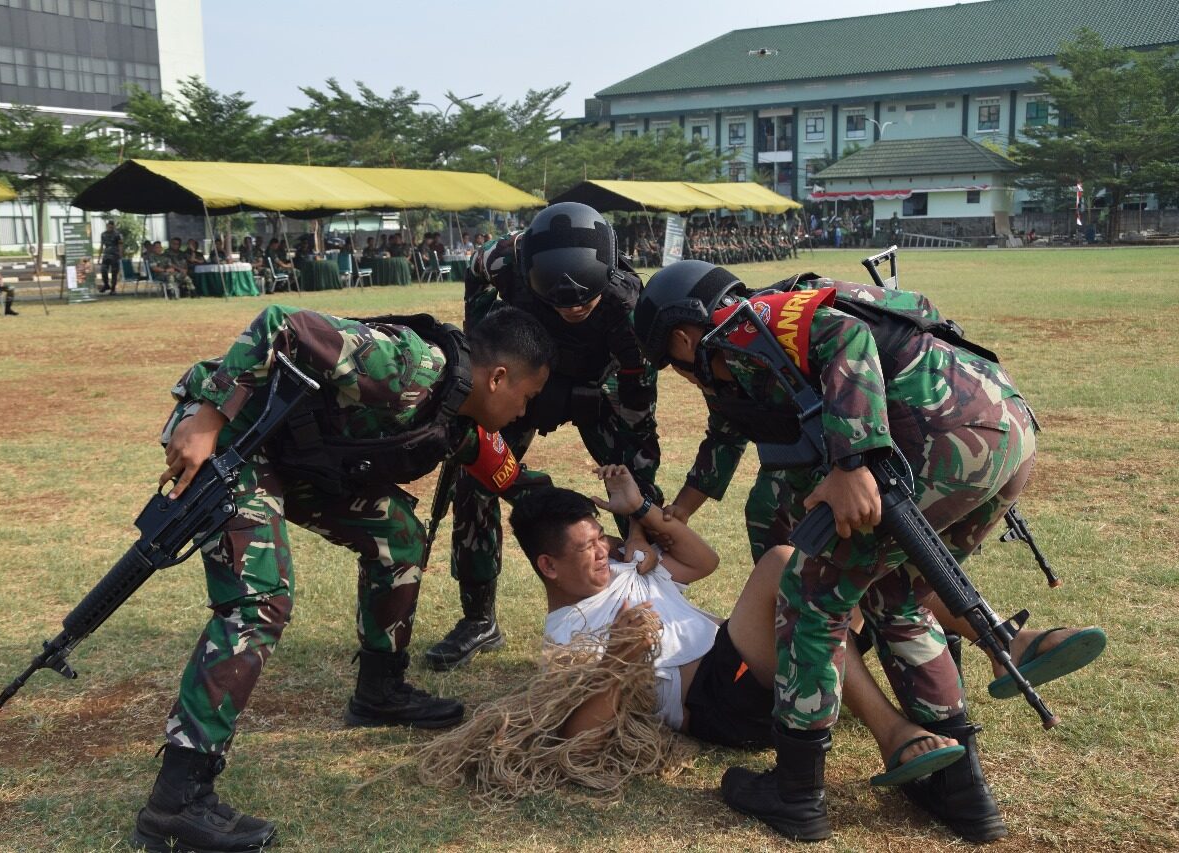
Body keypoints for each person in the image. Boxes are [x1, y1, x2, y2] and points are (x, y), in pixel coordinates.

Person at [630, 260, 1084, 842]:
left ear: (681, 337)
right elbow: (733, 429)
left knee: (810, 597)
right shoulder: (776, 324)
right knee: (901, 593)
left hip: (938, 435)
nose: (688, 378)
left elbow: (847, 336)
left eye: (675, 366)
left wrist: (854, 460)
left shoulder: (737, 325)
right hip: (1003, 434)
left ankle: (797, 793)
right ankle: (961, 788)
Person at [133, 305, 555, 853]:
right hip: (234, 440)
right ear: (498, 378)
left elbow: (505, 474)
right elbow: (279, 325)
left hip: (298, 458)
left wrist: (585, 509)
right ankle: (177, 799)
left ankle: (380, 690)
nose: (525, 409)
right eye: (526, 395)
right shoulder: (405, 362)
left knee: (400, 535)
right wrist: (209, 416)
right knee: (259, 602)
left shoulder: (457, 410)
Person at [515, 469, 964, 784]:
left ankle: (1003, 640)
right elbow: (580, 742)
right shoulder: (564, 637)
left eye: (600, 537)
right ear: (549, 566)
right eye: (587, 548)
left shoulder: (622, 567)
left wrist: (641, 510)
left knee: (863, 568)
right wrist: (617, 657)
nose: (601, 549)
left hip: (746, 659)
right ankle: (892, 735)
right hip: (721, 699)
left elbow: (703, 561)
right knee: (783, 564)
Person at [428, 202, 663, 672]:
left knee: (637, 493)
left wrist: (638, 502)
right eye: (560, 302)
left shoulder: (631, 309)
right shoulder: (505, 260)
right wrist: (483, 335)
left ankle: (655, 607)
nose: (574, 307)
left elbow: (638, 418)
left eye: (585, 300)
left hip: (601, 386)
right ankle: (478, 619)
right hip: (526, 377)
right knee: (475, 479)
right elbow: (475, 273)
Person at [98, 220, 123, 294]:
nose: (109, 228)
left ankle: (113, 289)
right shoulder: (103, 234)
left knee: (114, 273)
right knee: (103, 270)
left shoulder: (118, 234)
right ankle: (106, 285)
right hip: (106, 255)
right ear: (106, 226)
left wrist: (120, 256)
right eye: (108, 226)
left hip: (115, 255)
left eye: (111, 226)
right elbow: (102, 246)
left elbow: (120, 245)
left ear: (113, 226)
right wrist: (99, 257)